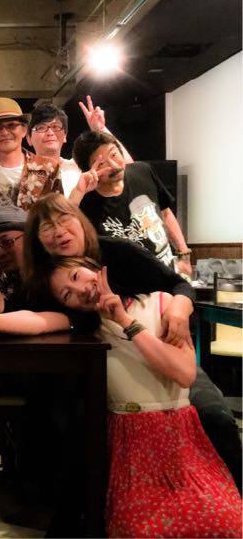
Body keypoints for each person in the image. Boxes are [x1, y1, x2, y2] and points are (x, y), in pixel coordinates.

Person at [0, 258, 242, 538]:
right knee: (140, 530)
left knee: (227, 523)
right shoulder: (88, 326)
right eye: (67, 295)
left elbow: (184, 374)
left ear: (94, 266)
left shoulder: (161, 302)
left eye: (76, 276)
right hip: (131, 446)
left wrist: (125, 320)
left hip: (182, 440)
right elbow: (36, 320)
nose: (81, 289)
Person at [24, 192, 243, 491]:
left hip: (158, 358)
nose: (59, 231)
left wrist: (179, 307)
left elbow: (178, 284)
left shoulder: (119, 251)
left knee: (215, 416)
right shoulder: (43, 281)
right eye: (47, 227)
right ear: (37, 240)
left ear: (80, 220)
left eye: (64, 219)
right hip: (102, 371)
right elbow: (28, 316)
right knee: (65, 419)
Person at [70, 129, 192, 277]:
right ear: (88, 170)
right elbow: (65, 228)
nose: (114, 165)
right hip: (127, 287)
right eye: (101, 163)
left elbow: (165, 213)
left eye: (114, 154)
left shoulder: (142, 171)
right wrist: (78, 192)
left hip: (168, 277)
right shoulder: (85, 203)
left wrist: (184, 254)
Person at [0, 98, 61, 269]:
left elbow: (57, 216)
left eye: (11, 125)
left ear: (23, 129)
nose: (4, 132)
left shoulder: (48, 168)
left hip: (36, 263)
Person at [26, 97, 133, 198]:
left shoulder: (81, 168)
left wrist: (100, 129)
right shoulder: (21, 173)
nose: (50, 132)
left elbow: (129, 170)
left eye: (55, 127)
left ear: (65, 136)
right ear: (29, 138)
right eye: (41, 128)